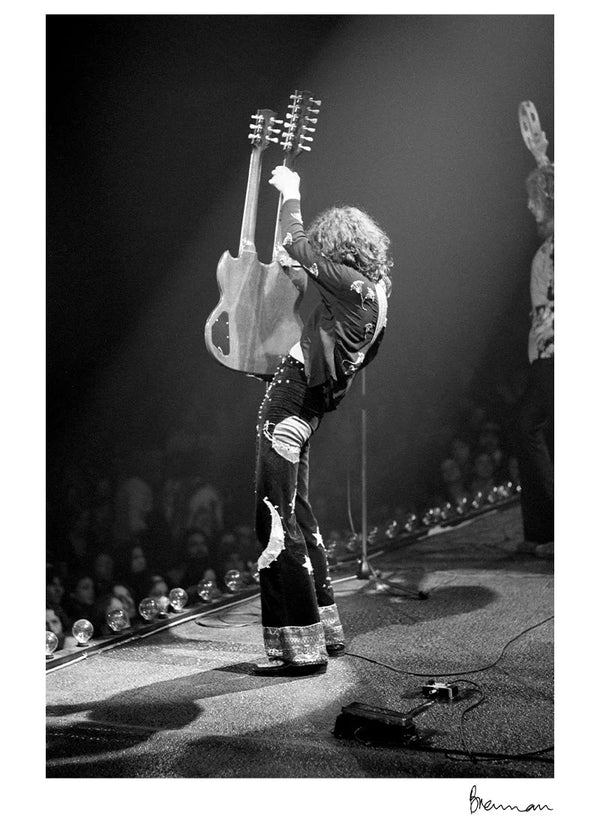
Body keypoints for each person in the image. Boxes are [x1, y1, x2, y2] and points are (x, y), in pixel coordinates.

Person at [252, 165, 392, 676]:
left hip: (291, 404)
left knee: (276, 517)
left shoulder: (347, 282)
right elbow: (349, 358)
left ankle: (300, 646)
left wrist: (292, 191)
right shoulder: (377, 297)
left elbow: (294, 241)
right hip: (309, 405)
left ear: (339, 249)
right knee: (299, 512)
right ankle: (323, 629)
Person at [515, 162, 554, 558]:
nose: (529, 205)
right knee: (530, 426)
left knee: (528, 425)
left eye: (534, 197)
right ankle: (543, 531)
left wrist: (545, 165)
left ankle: (552, 529)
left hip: (554, 349)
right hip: (546, 348)